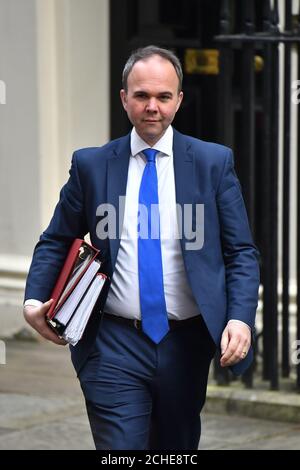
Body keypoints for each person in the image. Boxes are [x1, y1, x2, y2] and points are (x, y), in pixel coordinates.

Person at [23, 45, 260, 450]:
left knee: (175, 448)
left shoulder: (212, 163)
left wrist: (239, 318)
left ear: (179, 100)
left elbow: (240, 252)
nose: (153, 106)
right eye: (142, 96)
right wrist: (33, 301)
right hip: (111, 342)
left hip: (185, 343)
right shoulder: (92, 165)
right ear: (124, 98)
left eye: (163, 96)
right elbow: (57, 239)